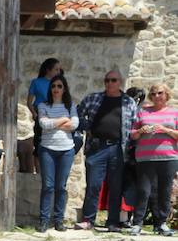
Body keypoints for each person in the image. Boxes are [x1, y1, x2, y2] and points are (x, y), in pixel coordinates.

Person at [76, 69, 138, 232]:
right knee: (93, 185)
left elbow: (135, 125)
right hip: (97, 147)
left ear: (120, 82)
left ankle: (112, 222)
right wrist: (87, 127)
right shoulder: (93, 98)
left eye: (113, 80)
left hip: (118, 149)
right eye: (107, 80)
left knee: (116, 186)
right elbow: (77, 114)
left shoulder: (129, 102)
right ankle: (88, 220)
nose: (110, 83)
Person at [128, 83, 178, 236]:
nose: (157, 96)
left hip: (168, 157)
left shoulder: (174, 113)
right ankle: (137, 223)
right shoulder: (142, 112)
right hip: (145, 157)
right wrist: (140, 131)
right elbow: (132, 134)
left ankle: (161, 223)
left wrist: (165, 130)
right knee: (143, 191)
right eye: (154, 93)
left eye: (160, 93)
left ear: (166, 95)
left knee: (165, 190)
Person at [36, 75, 78, 232]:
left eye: (59, 86)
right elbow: (43, 124)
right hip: (47, 150)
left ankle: (59, 220)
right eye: (53, 86)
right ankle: (44, 221)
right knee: (47, 186)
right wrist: (62, 119)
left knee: (61, 186)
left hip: (66, 150)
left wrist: (54, 123)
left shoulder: (70, 106)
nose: (56, 89)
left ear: (64, 88)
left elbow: (74, 124)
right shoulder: (43, 105)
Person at [26, 58, 62, 172]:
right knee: (39, 143)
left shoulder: (58, 84)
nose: (58, 72)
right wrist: (35, 114)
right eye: (56, 69)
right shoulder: (36, 82)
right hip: (41, 114)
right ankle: (39, 172)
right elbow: (29, 102)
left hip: (54, 115)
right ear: (48, 70)